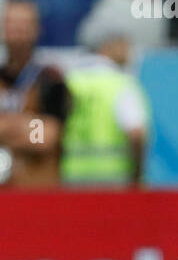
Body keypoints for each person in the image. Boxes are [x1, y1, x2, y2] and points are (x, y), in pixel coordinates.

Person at [0, 0, 71, 187]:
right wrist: (21, 124)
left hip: (37, 190)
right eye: (11, 23)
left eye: (24, 24)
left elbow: (45, 137)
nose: (17, 30)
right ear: (0, 28)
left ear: (37, 29)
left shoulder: (50, 80)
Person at [60, 16, 149, 186]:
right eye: (124, 43)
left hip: (71, 176)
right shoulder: (122, 84)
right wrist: (137, 174)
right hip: (114, 179)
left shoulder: (69, 81)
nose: (129, 50)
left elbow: (44, 127)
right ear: (108, 46)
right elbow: (136, 134)